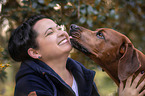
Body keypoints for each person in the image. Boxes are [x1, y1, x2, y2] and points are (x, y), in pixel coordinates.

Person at [8, 15, 145, 96]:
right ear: (35, 52)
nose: (62, 32)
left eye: (59, 28)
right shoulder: (29, 85)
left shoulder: (82, 76)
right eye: (50, 32)